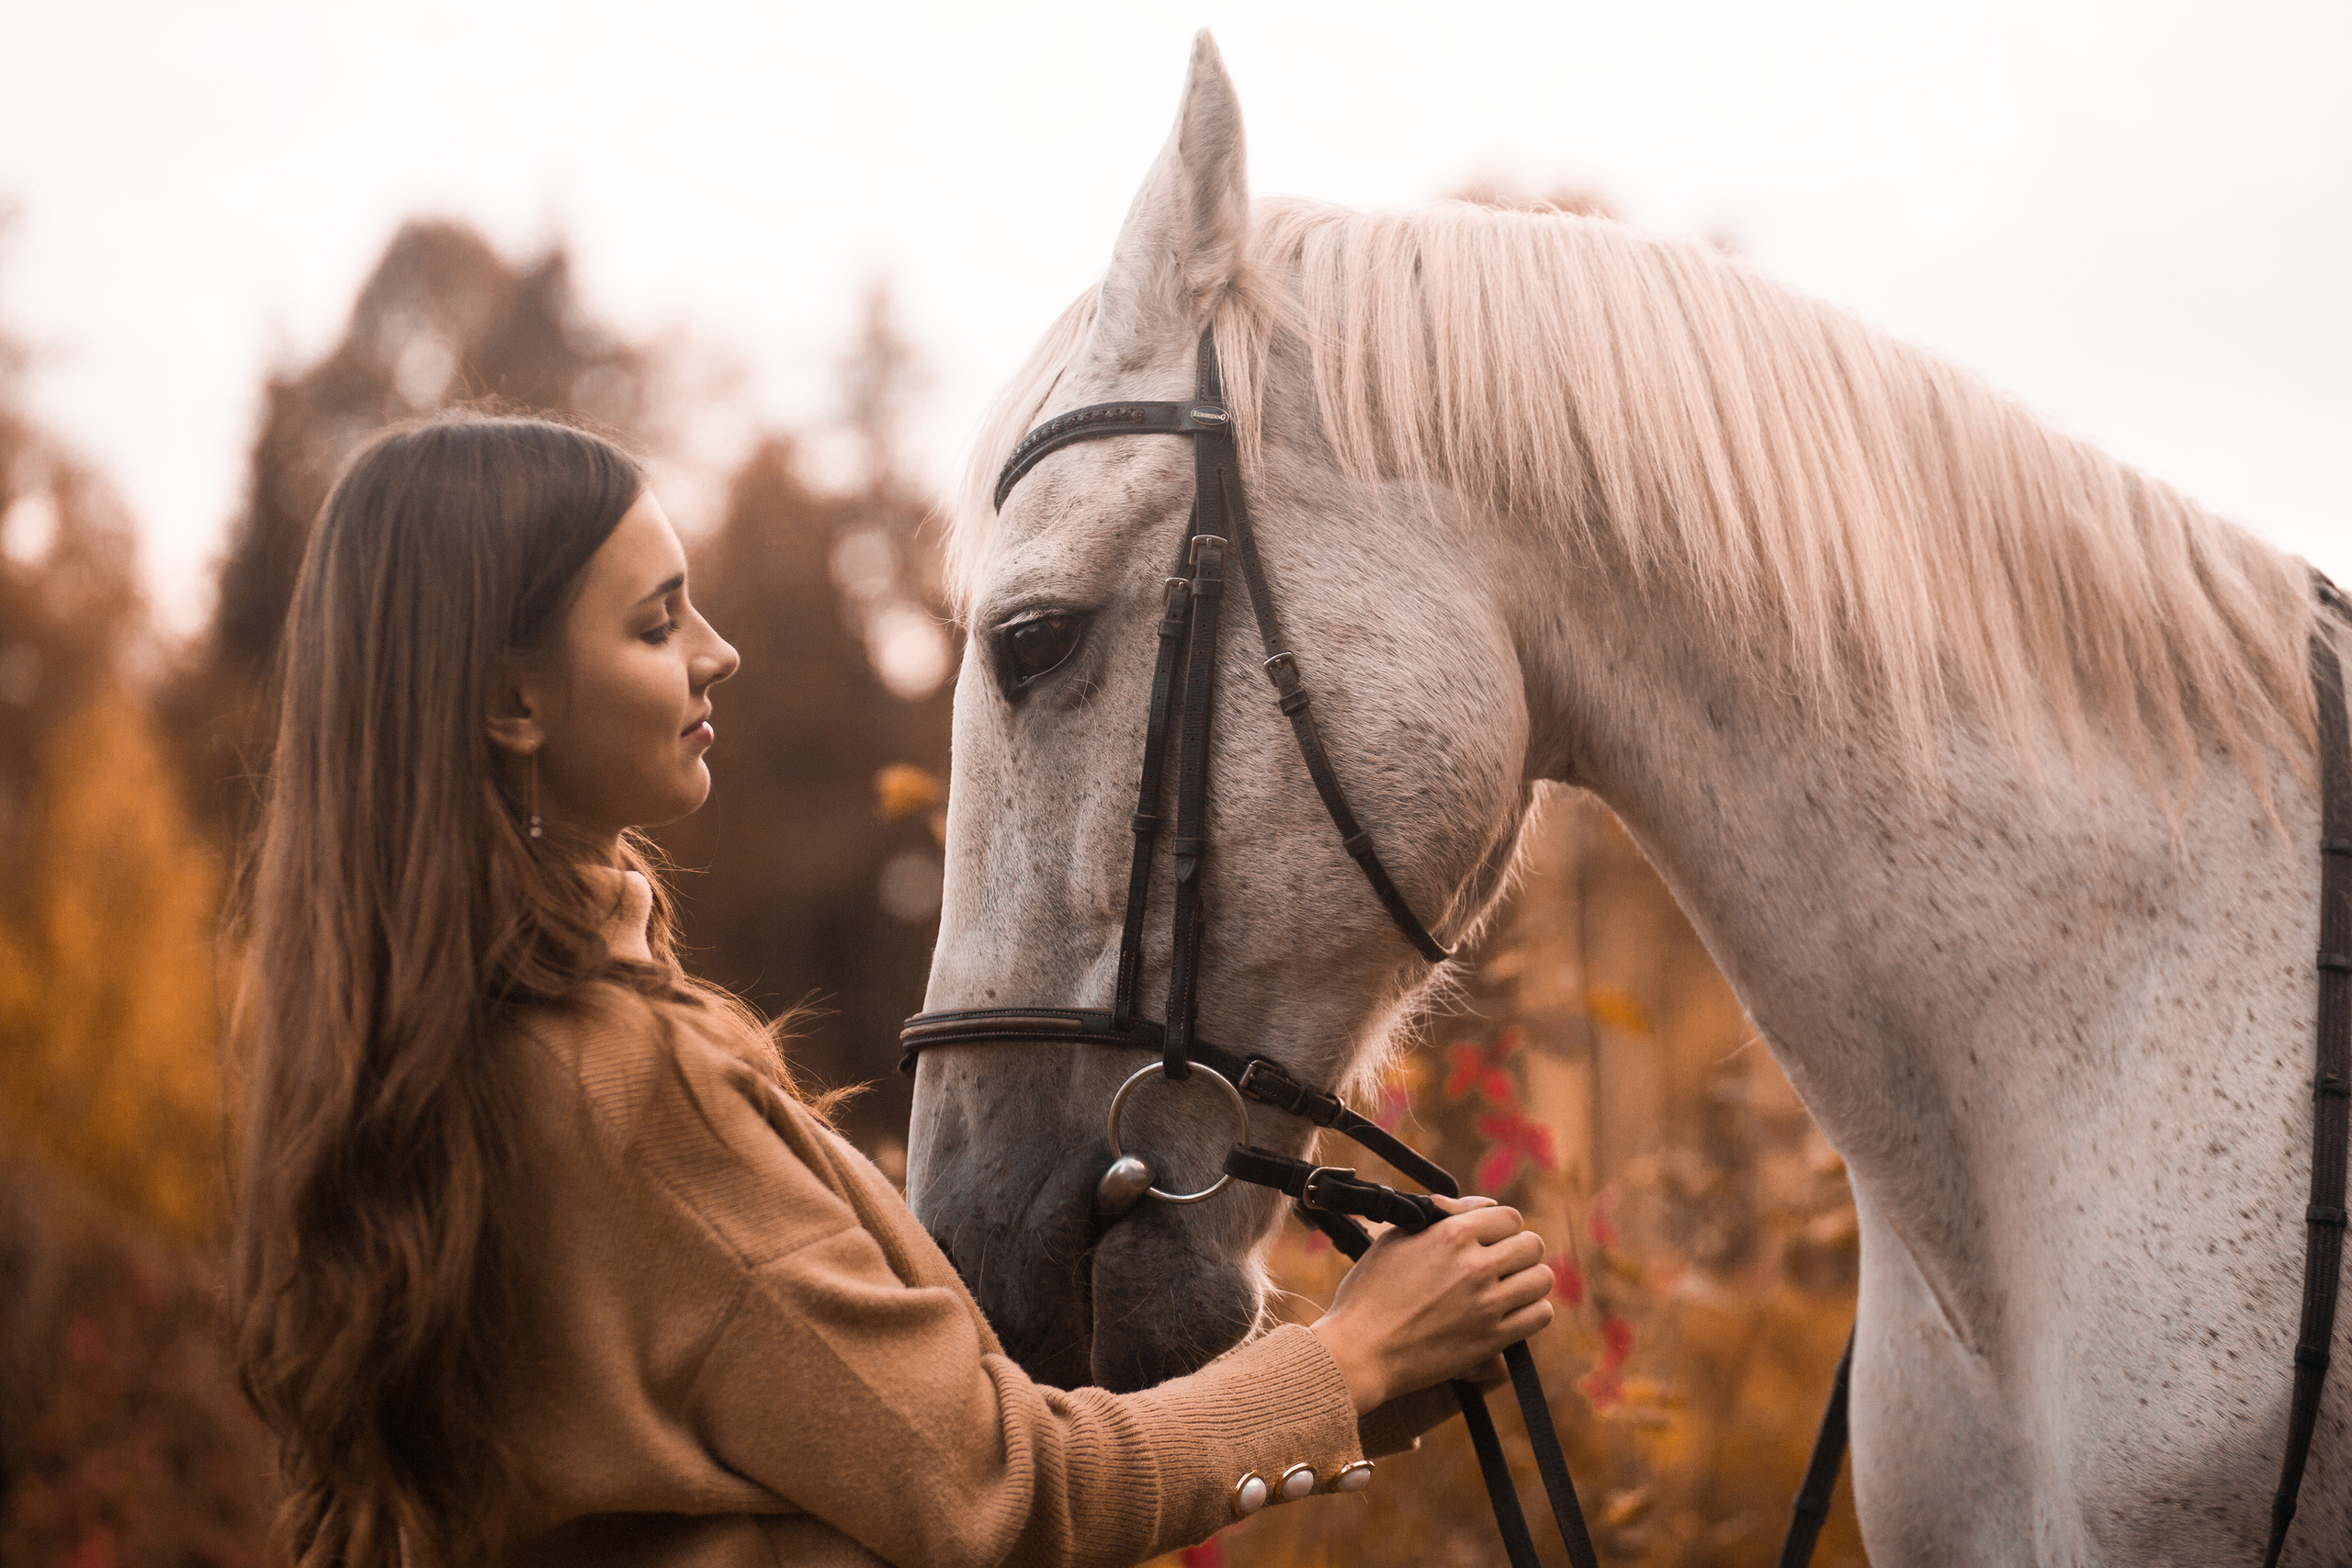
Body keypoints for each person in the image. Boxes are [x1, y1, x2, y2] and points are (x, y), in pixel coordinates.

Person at [228, 414, 1555, 1568]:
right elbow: (999, 1500)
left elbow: (845, 1470)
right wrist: (1350, 1360)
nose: (719, 649)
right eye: (655, 622)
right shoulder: (629, 1084)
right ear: (513, 705)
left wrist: (1374, 1383)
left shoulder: (429, 1063)